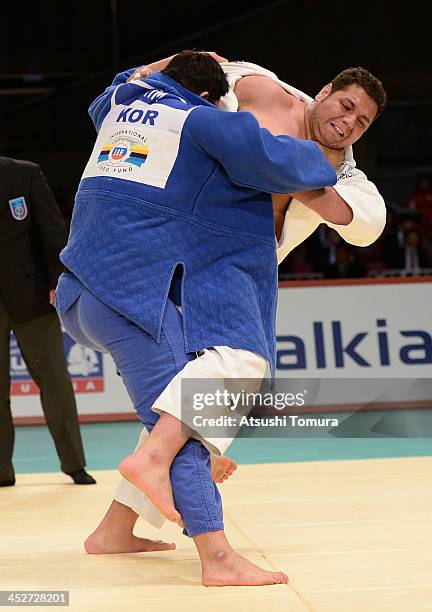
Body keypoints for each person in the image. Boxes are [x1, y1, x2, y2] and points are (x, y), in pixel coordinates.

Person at [55, 51, 337, 586]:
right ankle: (218, 558)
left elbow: (125, 78)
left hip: (76, 290)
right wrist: (329, 156)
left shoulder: (120, 100)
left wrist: (170, 63)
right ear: (211, 96)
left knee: (175, 412)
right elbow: (285, 164)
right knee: (186, 425)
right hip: (130, 297)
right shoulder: (203, 118)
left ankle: (113, 532)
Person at [100, 53, 388, 542]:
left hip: (234, 270)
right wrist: (146, 72)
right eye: (345, 106)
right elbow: (192, 70)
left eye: (361, 122)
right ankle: (177, 460)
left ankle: (118, 525)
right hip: (179, 242)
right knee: (233, 370)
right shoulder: (258, 88)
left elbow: (367, 226)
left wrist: (290, 175)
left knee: (188, 392)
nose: (348, 123)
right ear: (323, 92)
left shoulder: (340, 175)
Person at [0, 155, 96, 486]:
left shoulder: (25, 174)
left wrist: (59, 280)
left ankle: (74, 464)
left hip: (33, 295)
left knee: (54, 382)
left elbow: (52, 229)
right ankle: (1, 471)